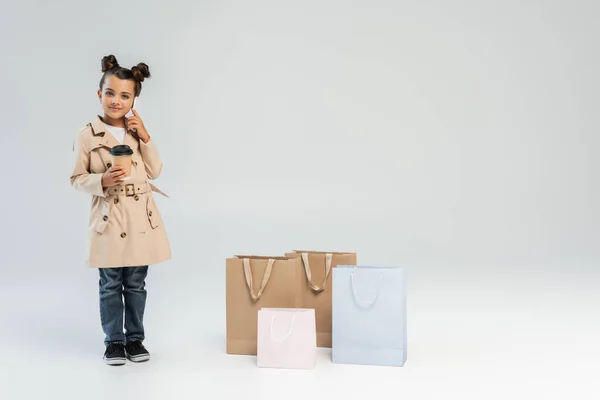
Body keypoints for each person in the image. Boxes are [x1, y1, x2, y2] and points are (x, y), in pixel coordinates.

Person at [70, 54, 171, 366]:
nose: (116, 101)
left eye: (125, 95)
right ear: (100, 94)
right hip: (109, 220)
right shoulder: (87, 134)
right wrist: (102, 179)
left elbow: (155, 171)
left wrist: (146, 136)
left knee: (136, 284)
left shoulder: (136, 131)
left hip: (141, 219)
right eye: (110, 93)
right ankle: (114, 342)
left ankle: (135, 339)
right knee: (111, 284)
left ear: (134, 100)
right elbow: (76, 179)